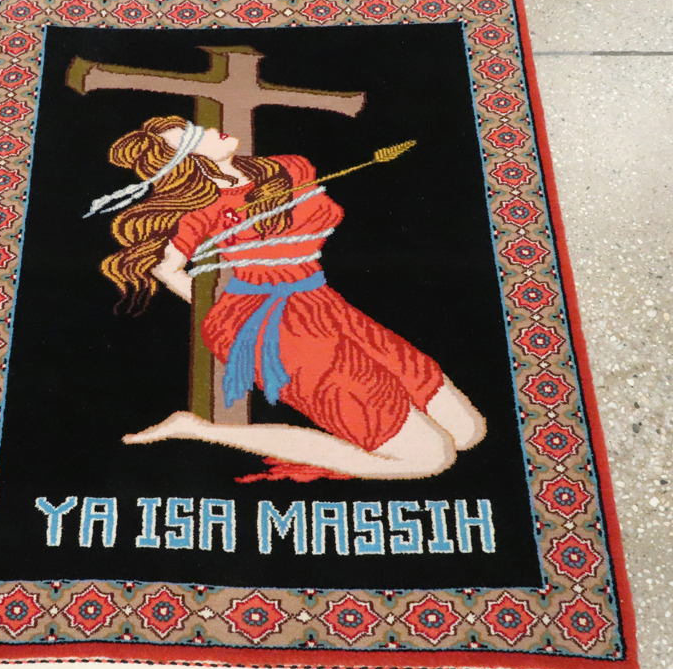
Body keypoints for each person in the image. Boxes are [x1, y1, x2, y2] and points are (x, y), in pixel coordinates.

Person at [92, 115, 486, 481]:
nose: (210, 130)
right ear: (189, 163)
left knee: (468, 432)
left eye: (198, 127)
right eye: (196, 138)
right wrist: (225, 307)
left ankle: (355, 443)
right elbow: (166, 269)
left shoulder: (286, 168)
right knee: (431, 458)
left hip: (324, 303)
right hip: (277, 328)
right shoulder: (202, 212)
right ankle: (198, 429)